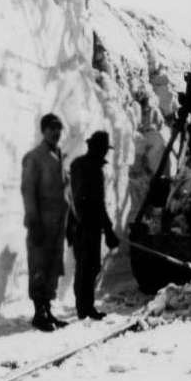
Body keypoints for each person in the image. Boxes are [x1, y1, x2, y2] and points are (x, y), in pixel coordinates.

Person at [21, 113, 69, 331]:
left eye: (58, 129)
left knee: (52, 266)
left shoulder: (58, 155)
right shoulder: (35, 157)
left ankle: (47, 309)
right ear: (43, 131)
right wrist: (33, 221)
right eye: (51, 129)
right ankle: (39, 313)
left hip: (57, 224)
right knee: (39, 266)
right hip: (41, 222)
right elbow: (28, 191)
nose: (56, 133)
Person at [68, 130, 120, 320]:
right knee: (89, 267)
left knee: (84, 266)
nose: (105, 153)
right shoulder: (93, 170)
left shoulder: (77, 165)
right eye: (104, 149)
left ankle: (83, 306)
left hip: (76, 223)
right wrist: (109, 230)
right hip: (88, 225)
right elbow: (96, 203)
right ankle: (85, 309)